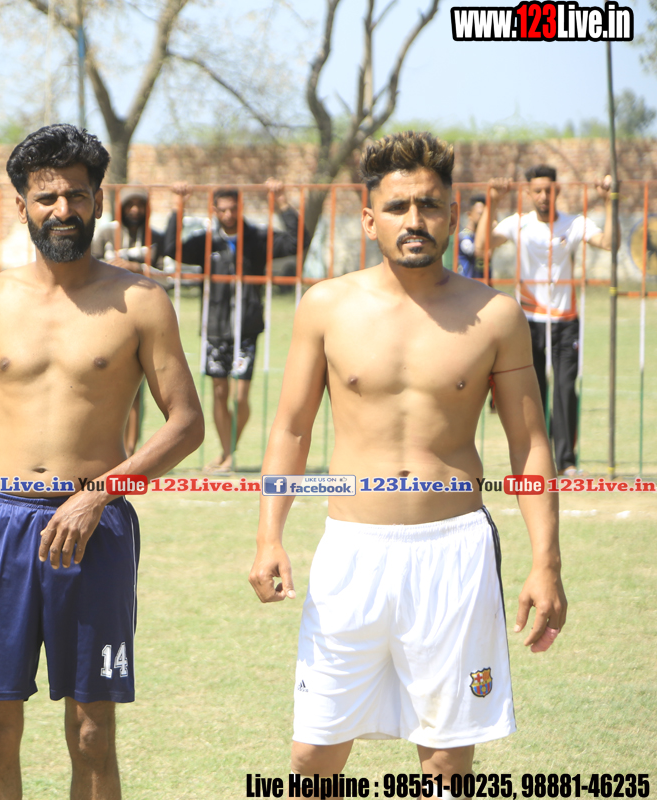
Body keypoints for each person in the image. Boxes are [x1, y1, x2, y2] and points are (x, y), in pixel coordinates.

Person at [249, 131, 567, 779]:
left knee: (445, 761)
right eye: (397, 207)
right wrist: (268, 536)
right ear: (370, 219)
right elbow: (291, 429)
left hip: (453, 554)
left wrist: (546, 563)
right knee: (312, 757)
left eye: (429, 205)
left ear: (452, 214)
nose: (414, 220)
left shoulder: (495, 315)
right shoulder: (326, 306)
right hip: (351, 553)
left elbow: (530, 445)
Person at [0, 124, 203, 800]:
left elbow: (187, 422)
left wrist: (99, 493)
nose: (63, 210)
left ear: (98, 201)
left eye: (76, 195)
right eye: (46, 197)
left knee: (91, 732)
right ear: (22, 204)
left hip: (94, 529)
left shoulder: (140, 301)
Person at [475, 165, 614, 475]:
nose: (542, 196)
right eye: (537, 191)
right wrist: (493, 201)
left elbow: (609, 243)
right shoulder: (518, 224)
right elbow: (483, 247)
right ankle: (537, 458)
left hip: (565, 321)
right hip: (529, 321)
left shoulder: (573, 223)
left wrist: (609, 201)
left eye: (548, 191)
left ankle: (566, 461)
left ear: (557, 191)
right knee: (533, 391)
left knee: (565, 389)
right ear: (528, 193)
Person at [165, 181, 308, 472]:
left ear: (240, 208)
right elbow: (171, 249)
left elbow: (298, 241)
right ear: (214, 210)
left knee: (240, 397)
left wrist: (281, 201)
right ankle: (227, 454)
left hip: (247, 327)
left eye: (233, 209)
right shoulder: (206, 242)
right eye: (223, 210)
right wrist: (179, 206)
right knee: (219, 392)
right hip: (215, 327)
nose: (228, 215)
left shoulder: (257, 238)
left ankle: (229, 449)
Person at [90, 188, 167, 455]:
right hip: (106, 314)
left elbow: (169, 274)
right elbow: (87, 266)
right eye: (129, 204)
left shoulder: (156, 238)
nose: (135, 209)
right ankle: (108, 445)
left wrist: (137, 269)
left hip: (142, 316)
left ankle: (130, 449)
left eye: (140, 204)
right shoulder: (105, 233)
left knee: (135, 387)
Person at [456, 193, 487, 279]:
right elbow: (479, 253)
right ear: (469, 215)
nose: (484, 219)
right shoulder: (464, 236)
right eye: (480, 214)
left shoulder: (480, 235)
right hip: (466, 283)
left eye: (486, 215)